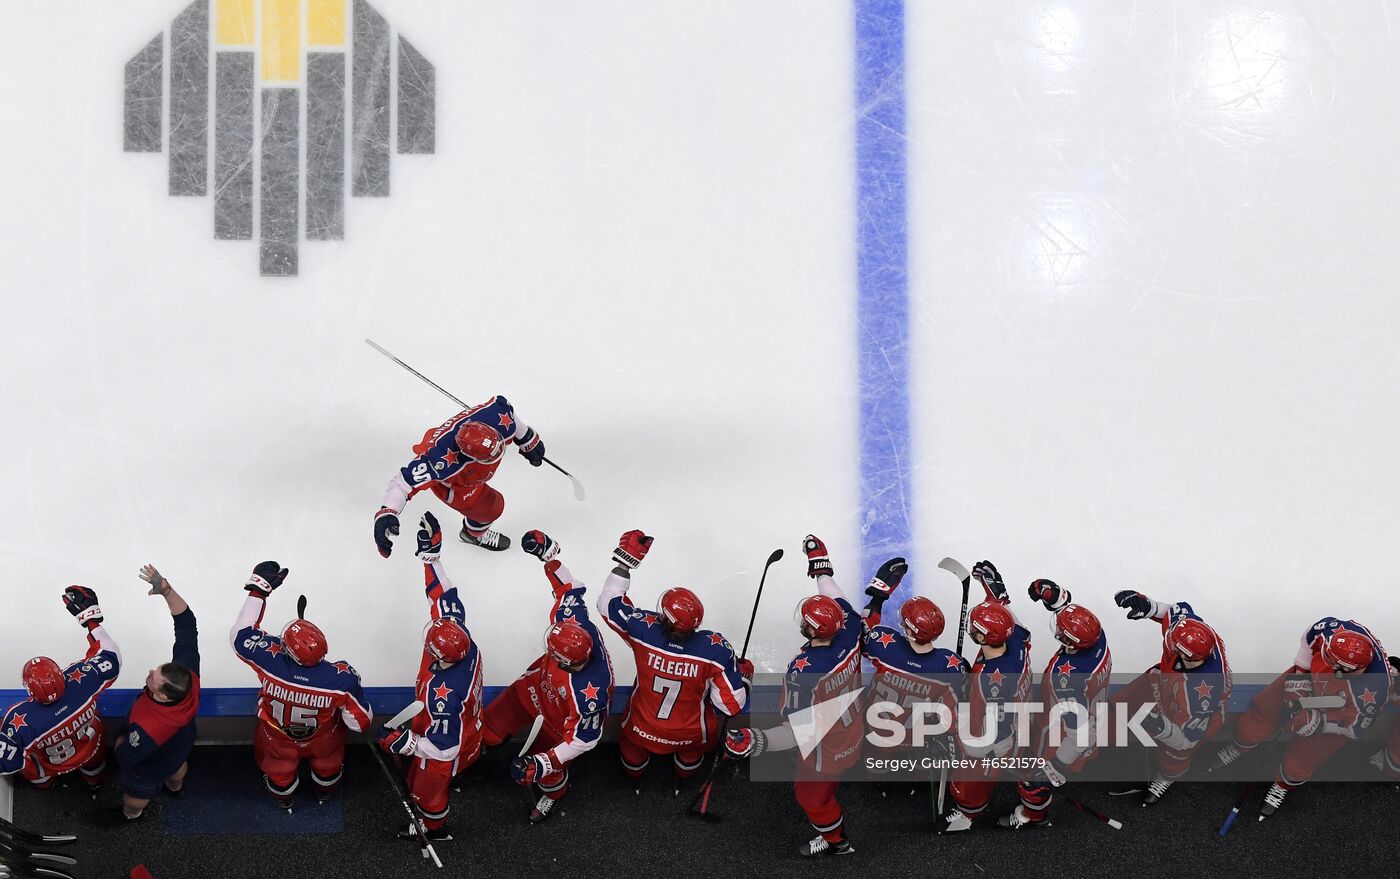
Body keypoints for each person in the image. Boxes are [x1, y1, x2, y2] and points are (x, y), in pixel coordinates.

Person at [724, 535, 893, 858]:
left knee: (810, 798)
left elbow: (795, 731)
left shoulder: (803, 672)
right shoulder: (851, 629)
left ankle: (837, 843)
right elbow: (839, 598)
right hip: (852, 731)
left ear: (813, 630)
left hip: (823, 750)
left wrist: (753, 740)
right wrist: (820, 565)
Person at [595, 530, 750, 792]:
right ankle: (683, 782)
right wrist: (742, 677)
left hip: (641, 724)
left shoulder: (644, 631)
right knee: (691, 755)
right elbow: (731, 705)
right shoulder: (715, 650)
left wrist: (625, 562)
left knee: (633, 751)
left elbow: (607, 604)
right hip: (690, 733)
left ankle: (633, 783)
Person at [480, 529, 614, 822]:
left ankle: (554, 795)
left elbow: (584, 739)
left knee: (548, 774)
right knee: (487, 732)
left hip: (558, 722)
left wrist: (543, 763)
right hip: (532, 688)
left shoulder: (590, 695)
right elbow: (569, 587)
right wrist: (549, 556)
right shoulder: (574, 623)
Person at [1209, 616, 1391, 818]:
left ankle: (1282, 785)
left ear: (1348, 668)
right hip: (1308, 683)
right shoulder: (1332, 632)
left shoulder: (1376, 690)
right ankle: (1239, 745)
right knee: (1262, 715)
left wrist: (1320, 723)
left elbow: (1356, 726)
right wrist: (1300, 673)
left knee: (1305, 758)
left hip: (1338, 712)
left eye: (1331, 660)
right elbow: (1310, 636)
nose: (1324, 658)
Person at [376, 512, 485, 841]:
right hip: (468, 727)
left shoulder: (444, 697)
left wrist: (408, 743)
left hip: (444, 750)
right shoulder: (460, 639)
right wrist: (431, 557)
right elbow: (443, 597)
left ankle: (434, 829)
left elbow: (443, 748)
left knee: (426, 794)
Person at [230, 561, 373, 810]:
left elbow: (239, 634)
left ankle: (285, 801)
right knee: (328, 767)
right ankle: (324, 794)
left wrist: (258, 591)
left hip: (276, 737)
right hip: (323, 738)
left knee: (279, 772)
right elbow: (361, 723)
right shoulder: (340, 679)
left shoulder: (270, 662)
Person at [373, 395, 548, 555]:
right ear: (470, 456)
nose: (499, 455)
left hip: (466, 464)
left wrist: (527, 439)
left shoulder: (499, 418)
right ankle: (473, 535)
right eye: (489, 458)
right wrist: (388, 512)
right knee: (492, 507)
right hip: (457, 485)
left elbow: (507, 410)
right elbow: (403, 482)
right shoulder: (441, 463)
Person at [939, 561, 1038, 833]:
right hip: (1019, 719)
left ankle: (967, 815)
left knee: (971, 780)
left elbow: (994, 729)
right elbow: (1017, 627)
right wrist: (998, 597)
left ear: (982, 636)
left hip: (995, 742)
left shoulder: (987, 681)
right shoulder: (1016, 643)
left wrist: (958, 731)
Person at [1107, 590, 1230, 805]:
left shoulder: (1201, 697)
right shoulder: (1186, 631)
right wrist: (1149, 606)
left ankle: (1166, 778)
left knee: (1174, 755)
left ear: (1185, 656)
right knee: (1118, 706)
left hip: (1189, 714)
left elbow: (1186, 740)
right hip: (1163, 682)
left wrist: (1161, 726)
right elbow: (1173, 610)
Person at [101, 565, 202, 826]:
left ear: (164, 696)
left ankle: (130, 815)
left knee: (136, 794)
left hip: (149, 765)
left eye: (153, 679)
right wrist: (167, 591)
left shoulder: (148, 729)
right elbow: (187, 624)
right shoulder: (188, 676)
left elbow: (127, 757)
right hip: (179, 747)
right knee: (176, 768)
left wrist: (121, 739)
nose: (149, 673)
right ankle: (176, 788)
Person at [0, 587, 121, 795]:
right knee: (95, 768)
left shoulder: (18, 719)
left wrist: (38, 776)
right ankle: (96, 784)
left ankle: (48, 788)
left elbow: (9, 762)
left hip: (50, 764)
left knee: (36, 775)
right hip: (90, 746)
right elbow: (111, 656)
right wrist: (91, 620)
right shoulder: (84, 681)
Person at [1015, 576, 1112, 827]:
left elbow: (1082, 736)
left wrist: (1055, 766)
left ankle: (1032, 816)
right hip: (1087, 712)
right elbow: (1077, 623)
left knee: (1034, 782)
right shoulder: (1097, 638)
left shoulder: (1065, 680)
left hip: (1059, 731)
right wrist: (1057, 599)